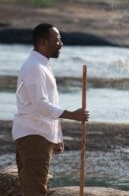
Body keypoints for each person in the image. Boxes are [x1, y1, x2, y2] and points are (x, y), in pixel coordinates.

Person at [12, 23, 90, 196]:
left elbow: (45, 104)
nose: (61, 44)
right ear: (42, 42)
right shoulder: (34, 68)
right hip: (34, 136)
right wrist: (73, 115)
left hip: (38, 135)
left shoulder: (42, 66)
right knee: (35, 190)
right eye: (57, 40)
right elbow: (40, 104)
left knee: (34, 189)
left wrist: (56, 135)